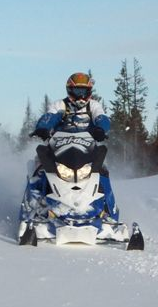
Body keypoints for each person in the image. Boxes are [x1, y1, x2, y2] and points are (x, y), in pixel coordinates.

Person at [19, 72, 119, 227]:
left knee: (102, 172)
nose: (80, 96)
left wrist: (101, 129)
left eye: (83, 91)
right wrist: (43, 128)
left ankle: (108, 211)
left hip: (86, 149)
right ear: (69, 90)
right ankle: (32, 209)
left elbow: (102, 117)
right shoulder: (60, 105)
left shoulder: (94, 106)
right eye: (77, 91)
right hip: (59, 147)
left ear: (89, 92)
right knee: (39, 170)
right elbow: (50, 116)